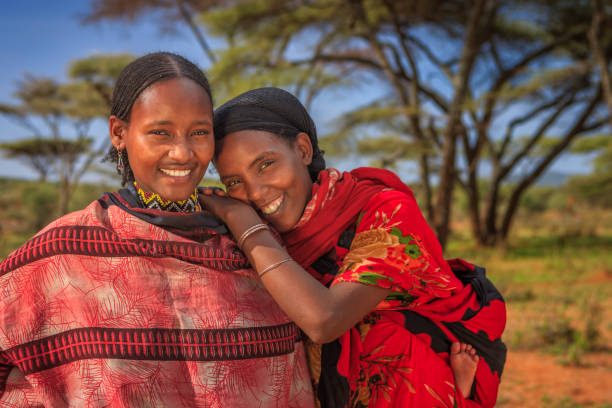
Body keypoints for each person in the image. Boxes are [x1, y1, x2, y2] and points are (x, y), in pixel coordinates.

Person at [0, 56, 314, 407]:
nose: (182, 153)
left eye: (199, 132)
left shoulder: (256, 245)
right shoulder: (57, 256)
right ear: (119, 133)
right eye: (160, 132)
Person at [199, 87, 507, 408]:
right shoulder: (269, 238)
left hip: (411, 379)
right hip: (330, 392)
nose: (256, 192)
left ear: (303, 150)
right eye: (234, 181)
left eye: (265, 164)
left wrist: (243, 221)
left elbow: (325, 320)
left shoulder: (383, 209)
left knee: (374, 333)